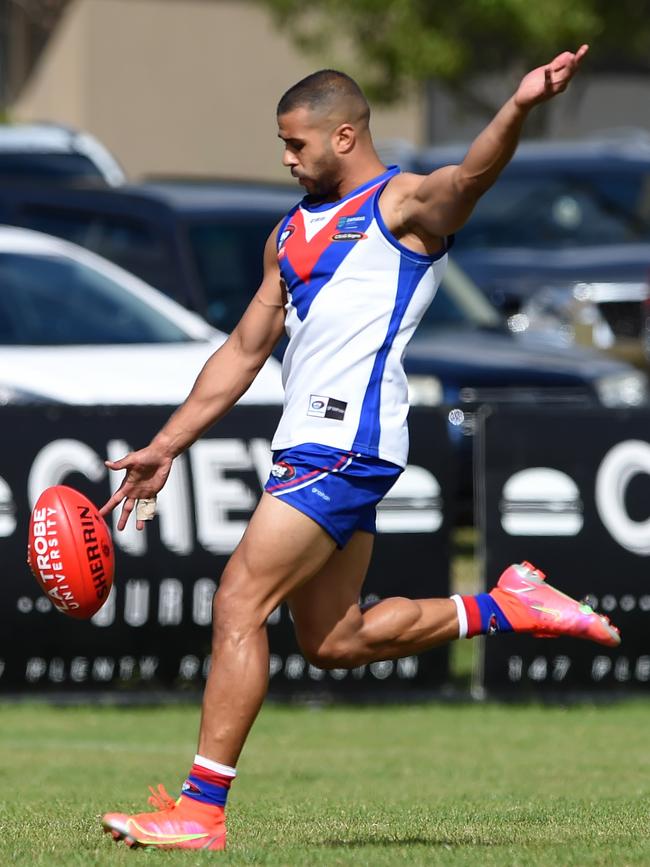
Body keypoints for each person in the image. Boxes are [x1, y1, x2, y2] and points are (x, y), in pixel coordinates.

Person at [100, 45, 620, 851]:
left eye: (295, 143)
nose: (285, 156)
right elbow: (242, 349)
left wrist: (518, 105)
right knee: (335, 640)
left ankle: (200, 814)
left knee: (239, 599)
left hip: (345, 441)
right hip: (310, 444)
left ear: (344, 136)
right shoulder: (288, 235)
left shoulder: (400, 206)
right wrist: (166, 444)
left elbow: (470, 178)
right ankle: (510, 603)